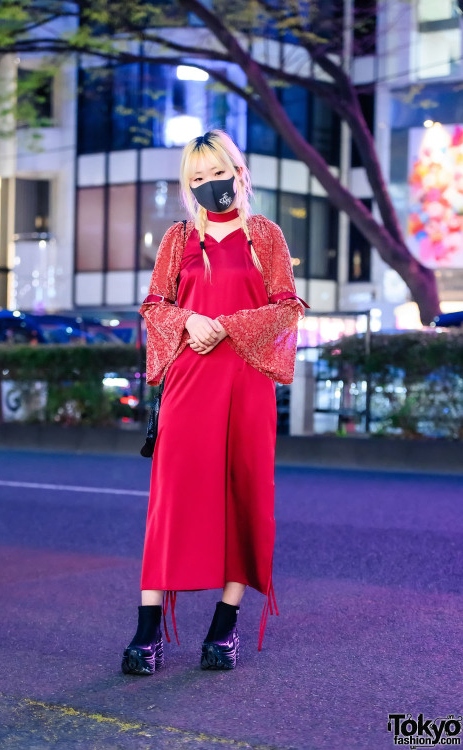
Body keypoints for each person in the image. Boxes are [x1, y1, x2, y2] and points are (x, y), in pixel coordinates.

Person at [121, 129, 310, 675]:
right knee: (171, 504)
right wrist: (190, 320)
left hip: (247, 384)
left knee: (244, 497)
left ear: (238, 173)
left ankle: (223, 630)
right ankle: (147, 631)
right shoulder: (178, 239)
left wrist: (224, 326)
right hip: (189, 383)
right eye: (196, 178)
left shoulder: (265, 236)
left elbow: (288, 306)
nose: (209, 185)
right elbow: (154, 304)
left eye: (216, 173)